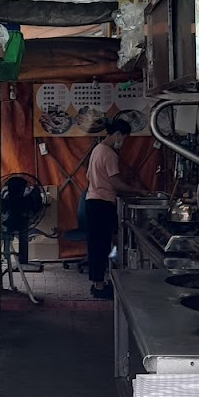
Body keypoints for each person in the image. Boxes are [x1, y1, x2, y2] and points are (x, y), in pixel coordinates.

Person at [85, 117, 136, 299]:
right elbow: (115, 183)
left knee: (95, 245)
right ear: (117, 134)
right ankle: (100, 287)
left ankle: (97, 283)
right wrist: (137, 191)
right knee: (101, 245)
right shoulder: (109, 154)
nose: (123, 143)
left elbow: (88, 176)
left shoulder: (97, 149)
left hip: (92, 201)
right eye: (124, 138)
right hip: (102, 204)